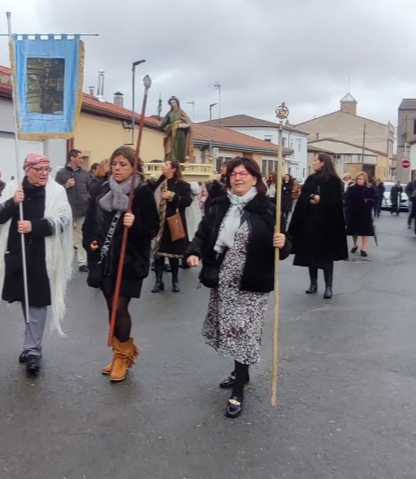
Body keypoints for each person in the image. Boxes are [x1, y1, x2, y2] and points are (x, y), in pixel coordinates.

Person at [185, 157, 291, 418]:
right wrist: (194, 251)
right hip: (223, 282)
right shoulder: (219, 205)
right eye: (233, 174)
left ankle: (238, 391)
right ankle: (239, 372)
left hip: (252, 283)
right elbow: (202, 233)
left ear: (255, 178)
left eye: (244, 173)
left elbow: (286, 248)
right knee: (232, 332)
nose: (238, 178)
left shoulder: (268, 210)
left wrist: (282, 242)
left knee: (243, 334)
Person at [0, 154, 73, 376]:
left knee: (37, 301)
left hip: (42, 256)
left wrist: (34, 226)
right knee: (26, 299)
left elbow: (64, 220)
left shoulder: (56, 191)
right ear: (27, 170)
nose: (45, 173)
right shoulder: (13, 189)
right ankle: (31, 341)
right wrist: (12, 202)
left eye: (47, 168)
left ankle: (33, 350)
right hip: (16, 253)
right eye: (40, 169)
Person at [83, 146, 160, 382]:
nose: (117, 168)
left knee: (118, 307)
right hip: (106, 259)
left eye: (123, 164)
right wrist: (91, 242)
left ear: (134, 168)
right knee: (110, 308)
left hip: (130, 261)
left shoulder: (142, 193)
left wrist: (134, 224)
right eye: (114, 163)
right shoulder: (103, 188)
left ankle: (123, 358)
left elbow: (152, 229)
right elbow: (91, 221)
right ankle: (119, 353)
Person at [287, 153, 348, 299]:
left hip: (327, 226)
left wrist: (322, 200)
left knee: (326, 258)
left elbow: (336, 202)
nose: (313, 163)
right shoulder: (311, 179)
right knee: (310, 256)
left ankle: (328, 286)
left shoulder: (333, 181)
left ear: (323, 163)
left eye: (315, 160)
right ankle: (313, 284)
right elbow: (303, 197)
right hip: (310, 224)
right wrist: (313, 197)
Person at [149, 160, 193, 293]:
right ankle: (158, 281)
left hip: (172, 223)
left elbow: (187, 201)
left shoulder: (182, 185)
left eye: (166, 165)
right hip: (157, 223)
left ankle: (175, 280)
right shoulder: (159, 182)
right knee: (158, 254)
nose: (163, 166)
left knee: (173, 254)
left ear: (173, 169)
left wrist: (172, 196)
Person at [55, 149, 91, 272]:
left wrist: (88, 201)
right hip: (67, 209)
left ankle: (82, 262)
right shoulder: (61, 173)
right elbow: (55, 191)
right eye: (79, 158)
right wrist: (66, 186)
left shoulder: (85, 173)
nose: (81, 160)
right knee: (66, 237)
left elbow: (89, 188)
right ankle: (66, 263)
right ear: (72, 158)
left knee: (81, 236)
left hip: (82, 208)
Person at [345, 172, 376, 257]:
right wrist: (350, 206)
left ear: (365, 180)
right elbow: (346, 199)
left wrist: (369, 202)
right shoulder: (352, 188)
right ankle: (355, 244)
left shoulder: (370, 189)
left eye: (361, 179)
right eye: (358, 179)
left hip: (365, 212)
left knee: (365, 231)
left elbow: (375, 199)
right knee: (354, 231)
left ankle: (363, 248)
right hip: (354, 212)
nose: (359, 180)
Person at [159, 96, 193, 162]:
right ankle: (171, 161)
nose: (172, 104)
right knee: (171, 148)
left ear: (177, 103)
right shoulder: (169, 114)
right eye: (171, 103)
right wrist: (162, 126)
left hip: (180, 133)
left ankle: (180, 162)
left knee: (180, 148)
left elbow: (188, 122)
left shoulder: (181, 112)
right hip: (171, 133)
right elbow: (163, 123)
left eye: (174, 103)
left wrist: (183, 125)